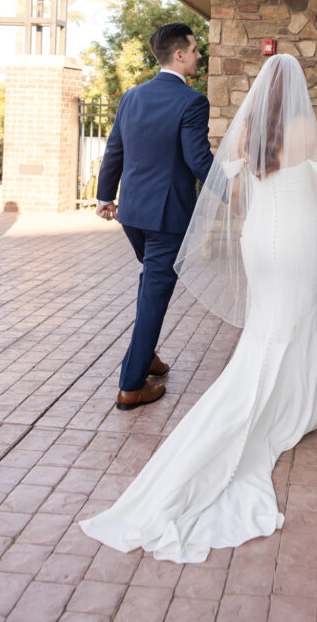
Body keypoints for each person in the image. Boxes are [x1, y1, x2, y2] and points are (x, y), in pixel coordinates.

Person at [80, 53, 317, 562]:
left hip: (259, 242)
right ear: (296, 90)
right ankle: (289, 411)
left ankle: (288, 406)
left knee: (266, 326)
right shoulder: (311, 129)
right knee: (296, 322)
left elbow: (234, 199)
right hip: (300, 241)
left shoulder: (249, 131)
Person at [96, 22, 213, 410]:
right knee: (153, 297)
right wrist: (234, 191)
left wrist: (104, 197)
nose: (198, 55)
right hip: (167, 219)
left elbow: (115, 149)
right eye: (194, 49)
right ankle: (131, 386)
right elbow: (199, 160)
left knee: (151, 286)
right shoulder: (192, 102)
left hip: (132, 214)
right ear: (179, 55)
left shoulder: (131, 96)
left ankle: (146, 357)